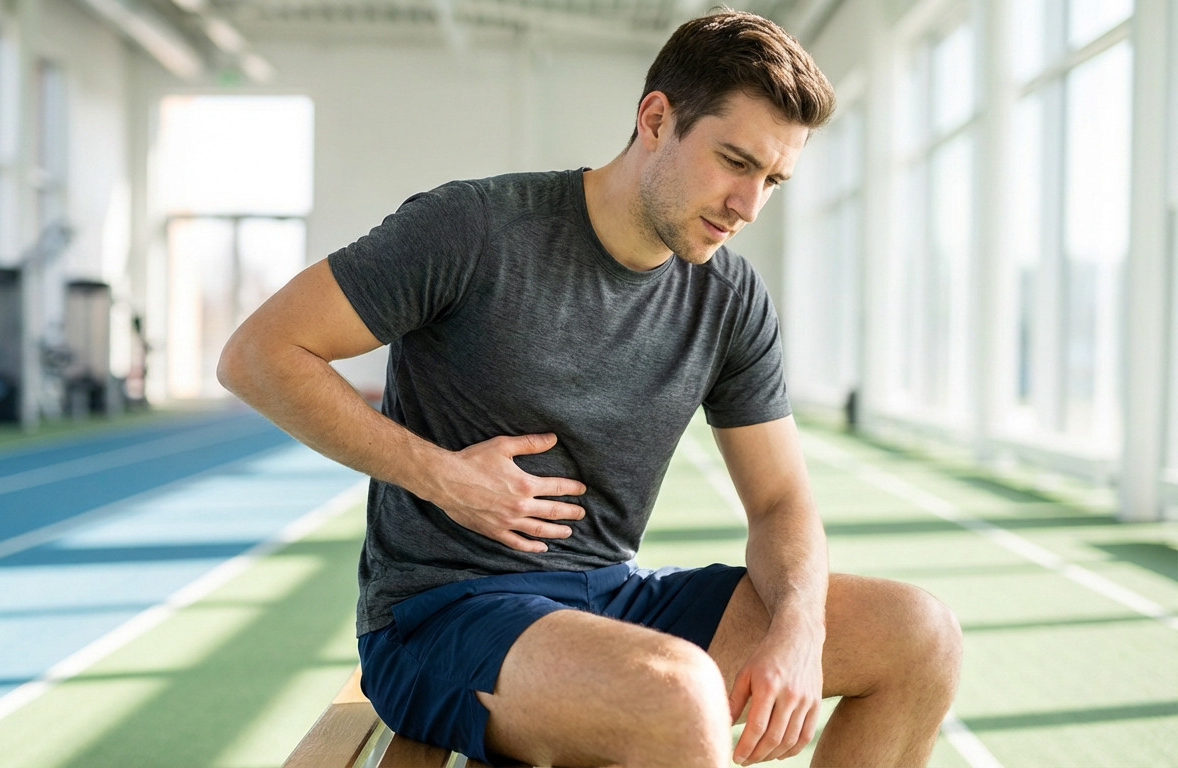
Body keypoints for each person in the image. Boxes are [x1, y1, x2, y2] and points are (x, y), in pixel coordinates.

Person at [219, 10, 962, 767]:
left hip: (611, 597)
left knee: (919, 634)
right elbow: (258, 353)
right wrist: (441, 477)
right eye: (736, 161)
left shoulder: (730, 298)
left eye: (773, 179)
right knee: (677, 693)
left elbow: (779, 501)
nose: (749, 206)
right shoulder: (474, 230)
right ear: (655, 119)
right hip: (439, 615)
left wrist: (799, 632)